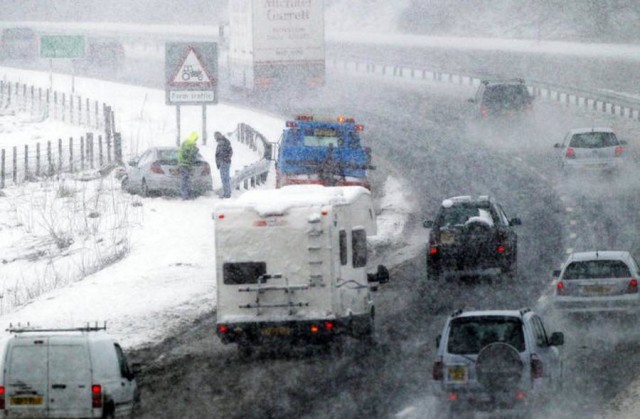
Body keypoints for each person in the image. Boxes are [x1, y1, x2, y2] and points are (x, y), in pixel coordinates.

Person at [178, 131, 199, 199]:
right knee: (187, 179)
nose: (196, 140)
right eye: (196, 139)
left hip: (182, 164)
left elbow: (181, 153)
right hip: (187, 164)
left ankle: (185, 194)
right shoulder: (191, 144)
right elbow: (191, 155)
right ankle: (187, 194)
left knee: (184, 179)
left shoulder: (185, 142)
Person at [215, 131, 233, 198]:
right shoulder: (225, 142)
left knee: (224, 178)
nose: (215, 138)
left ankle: (227, 194)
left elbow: (219, 154)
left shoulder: (221, 143)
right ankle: (227, 191)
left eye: (215, 136)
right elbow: (230, 151)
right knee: (226, 178)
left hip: (224, 162)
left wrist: (222, 160)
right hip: (226, 162)